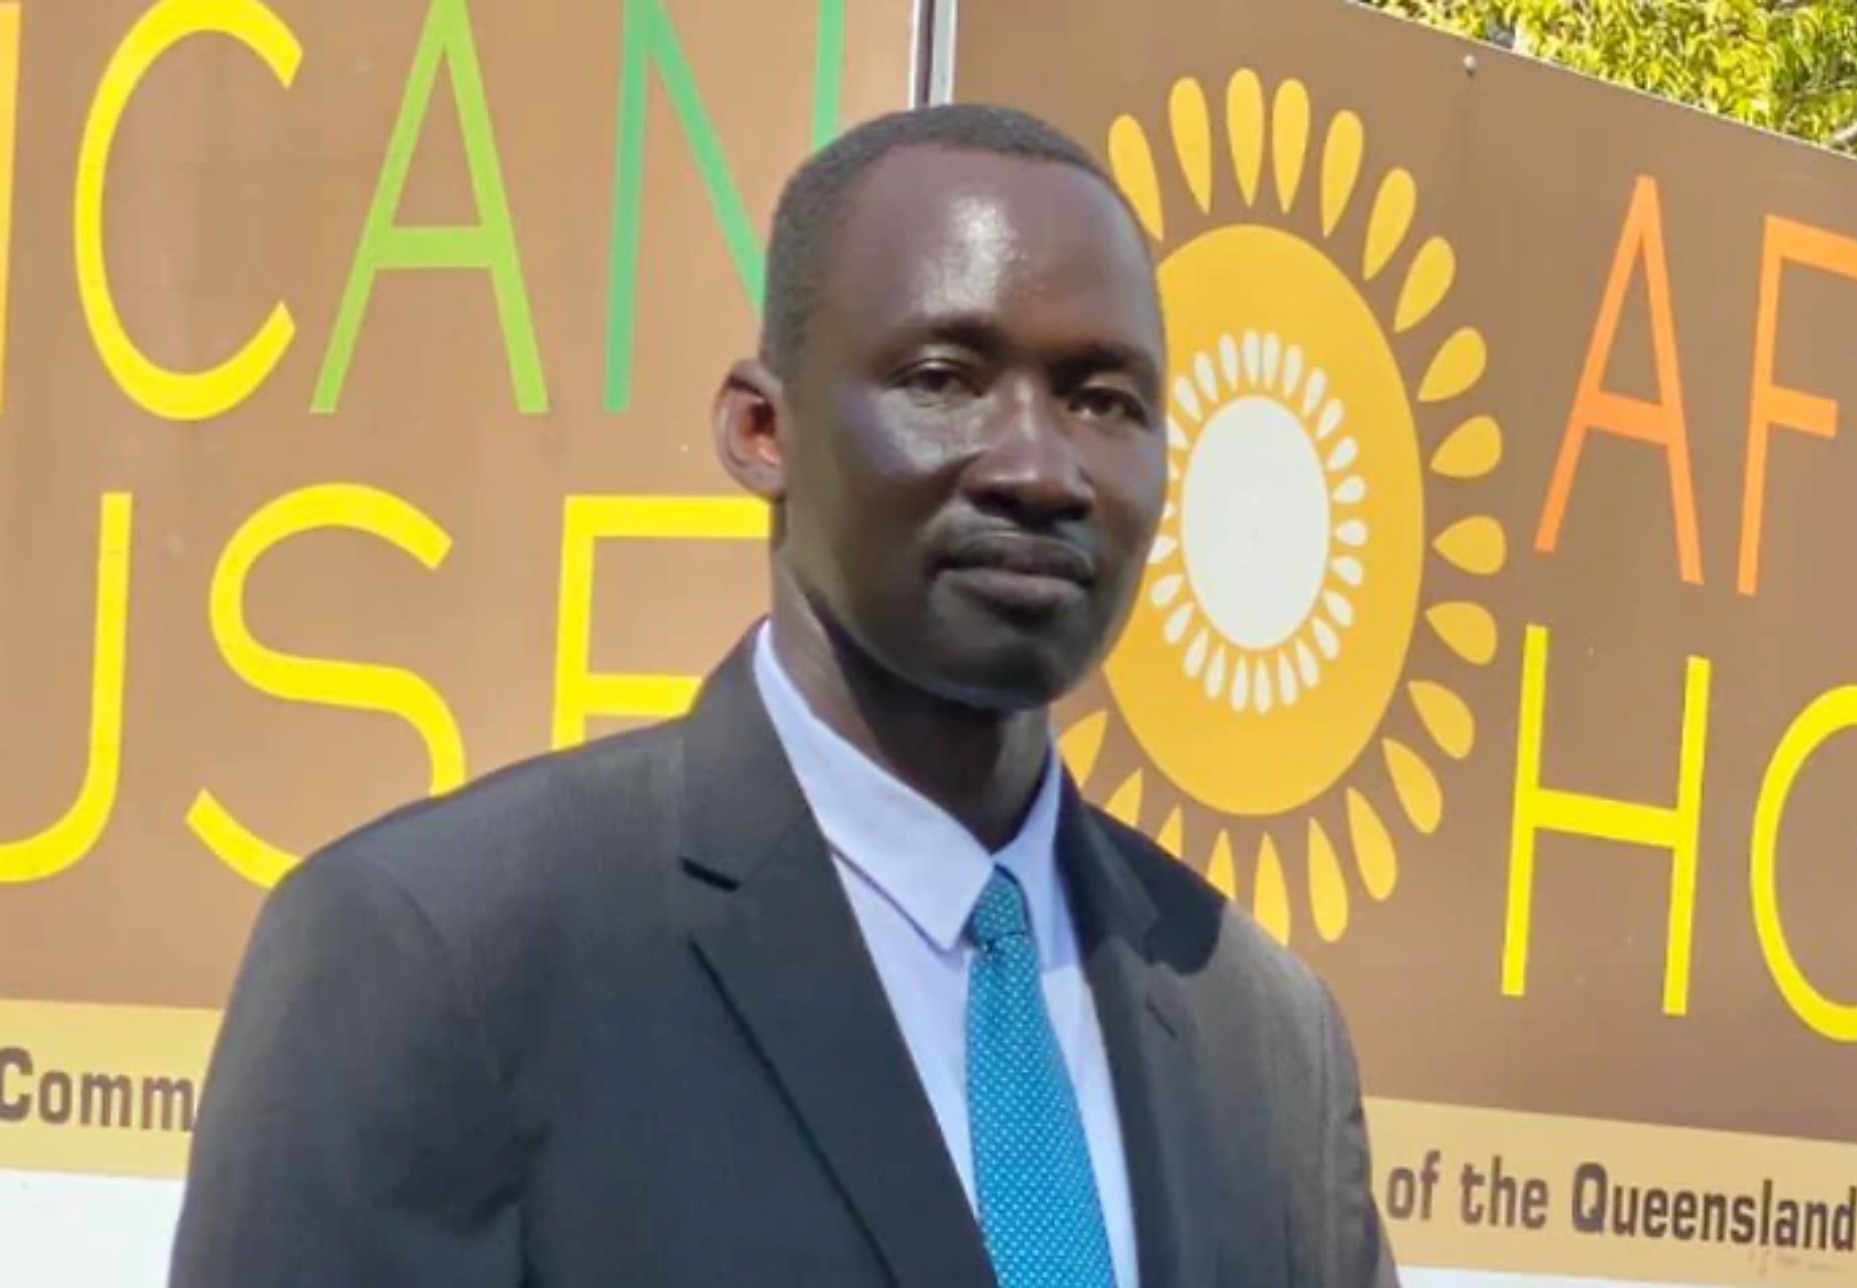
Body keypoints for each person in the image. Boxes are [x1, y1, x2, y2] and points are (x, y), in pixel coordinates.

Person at [168, 102, 1395, 1288]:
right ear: (762, 429)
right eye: (943, 377)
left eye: (1101, 400)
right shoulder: (444, 957)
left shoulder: (1262, 1039)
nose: (1038, 465)